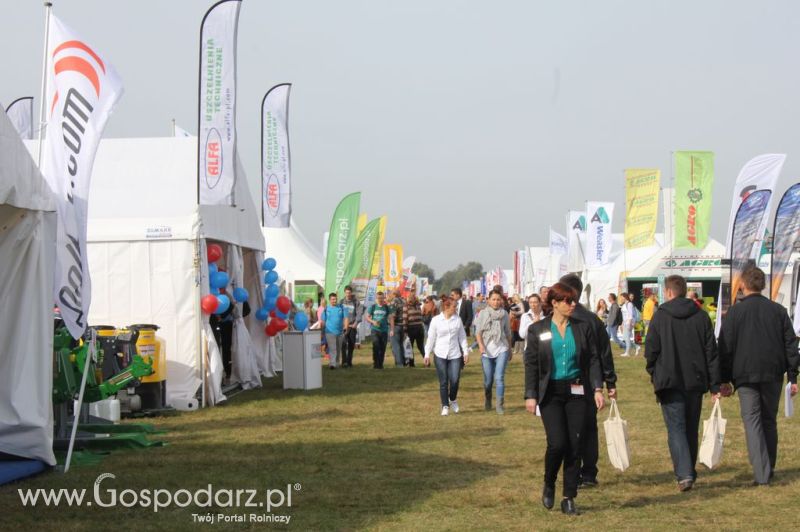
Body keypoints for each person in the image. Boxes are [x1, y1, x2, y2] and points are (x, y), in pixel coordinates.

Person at [524, 282, 604, 516]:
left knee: (575, 443)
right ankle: (549, 482)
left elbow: (593, 360)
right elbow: (531, 363)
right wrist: (531, 395)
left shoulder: (582, 327)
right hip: (550, 392)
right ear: (555, 303)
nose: (573, 304)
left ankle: (569, 496)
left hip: (577, 391)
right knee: (558, 443)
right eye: (568, 301)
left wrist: (598, 388)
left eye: (574, 300)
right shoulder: (538, 329)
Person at [718, 266, 800, 485]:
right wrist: (793, 377)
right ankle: (767, 468)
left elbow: (725, 347)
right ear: (763, 286)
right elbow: (791, 345)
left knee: (753, 422)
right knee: (768, 421)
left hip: (745, 375)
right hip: (772, 373)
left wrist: (723, 379)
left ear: (743, 285)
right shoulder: (778, 311)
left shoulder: (735, 312)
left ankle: (763, 474)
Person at [644, 274, 720, 492]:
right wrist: (714, 385)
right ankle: (688, 472)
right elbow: (711, 353)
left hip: (669, 381)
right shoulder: (702, 316)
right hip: (694, 380)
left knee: (676, 428)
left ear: (668, 292)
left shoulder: (660, 317)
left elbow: (651, 350)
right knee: (689, 428)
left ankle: (685, 473)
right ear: (685, 290)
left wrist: (654, 372)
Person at [559, 274, 617, 488]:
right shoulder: (592, 319)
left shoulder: (578, 320)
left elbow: (602, 353)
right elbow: (605, 354)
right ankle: (589, 472)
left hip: (576, 380)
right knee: (588, 427)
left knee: (573, 427)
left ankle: (578, 471)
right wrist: (609, 382)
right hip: (593, 383)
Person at [424, 296, 470, 416]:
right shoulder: (436, 320)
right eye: (454, 307)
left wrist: (465, 352)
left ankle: (453, 399)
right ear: (446, 307)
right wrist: (427, 354)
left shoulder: (457, 320)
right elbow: (431, 338)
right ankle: (445, 405)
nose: (456, 309)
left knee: (454, 380)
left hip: (455, 354)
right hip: (440, 354)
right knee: (443, 381)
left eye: (456, 307)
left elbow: (462, 337)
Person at [474, 290, 513, 414]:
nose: (496, 302)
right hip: (486, 351)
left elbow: (508, 332)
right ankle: (488, 398)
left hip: (502, 348)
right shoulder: (483, 314)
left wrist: (510, 349)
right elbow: (478, 332)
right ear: (488, 300)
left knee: (499, 377)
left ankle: (499, 405)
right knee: (488, 380)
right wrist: (481, 346)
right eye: (493, 299)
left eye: (498, 299)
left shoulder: (505, 314)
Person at [320, 293, 349, 370]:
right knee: (333, 348)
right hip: (329, 332)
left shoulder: (342, 308)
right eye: (332, 299)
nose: (334, 301)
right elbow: (323, 321)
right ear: (329, 300)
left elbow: (346, 318)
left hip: (340, 332)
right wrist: (321, 331)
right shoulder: (326, 309)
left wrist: (346, 327)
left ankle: (336, 362)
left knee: (338, 348)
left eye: (335, 299)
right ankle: (332, 364)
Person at [365, 291, 391, 369]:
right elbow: (367, 317)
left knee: (383, 347)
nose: (380, 299)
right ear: (376, 298)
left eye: (381, 298)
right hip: (375, 330)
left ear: (384, 298)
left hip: (384, 330)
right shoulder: (373, 307)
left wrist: (392, 328)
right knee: (376, 346)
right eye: (378, 298)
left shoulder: (386, 307)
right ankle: (375, 363)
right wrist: (373, 321)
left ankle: (380, 364)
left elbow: (391, 318)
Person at [340, 285, 362, 368]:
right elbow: (339, 314)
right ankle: (344, 362)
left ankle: (349, 362)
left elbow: (359, 313)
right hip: (343, 327)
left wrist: (356, 323)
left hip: (352, 326)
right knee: (343, 344)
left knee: (351, 345)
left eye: (349, 293)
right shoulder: (341, 302)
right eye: (346, 293)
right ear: (345, 293)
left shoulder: (356, 301)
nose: (348, 294)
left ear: (351, 292)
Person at [403, 293, 425, 367]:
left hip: (411, 328)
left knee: (410, 346)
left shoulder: (406, 307)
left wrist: (405, 330)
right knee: (420, 346)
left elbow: (405, 318)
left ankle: (411, 363)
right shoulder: (418, 306)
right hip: (420, 327)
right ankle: (426, 359)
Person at [388, 291, 407, 367]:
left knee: (396, 346)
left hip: (395, 326)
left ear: (394, 295)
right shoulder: (403, 301)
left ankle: (399, 364)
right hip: (403, 326)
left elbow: (393, 316)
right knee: (401, 345)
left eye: (390, 294)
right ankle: (403, 362)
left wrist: (392, 329)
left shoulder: (394, 302)